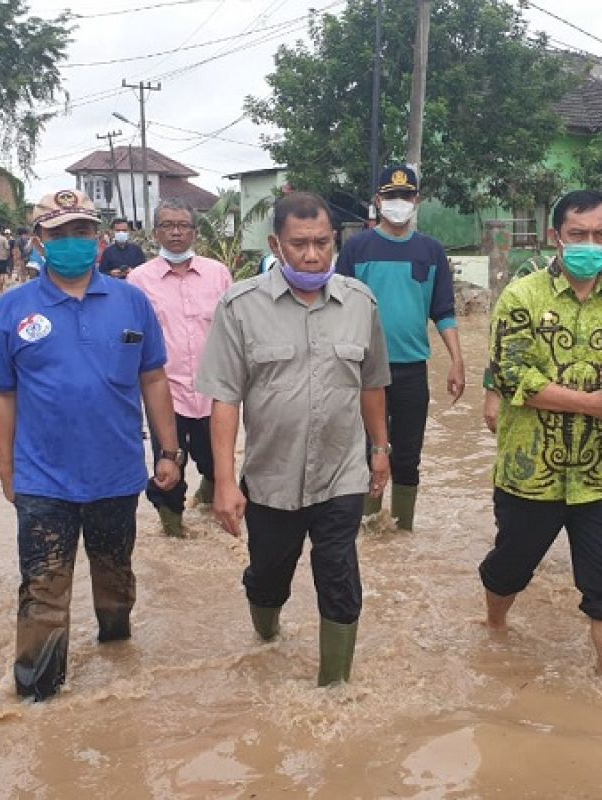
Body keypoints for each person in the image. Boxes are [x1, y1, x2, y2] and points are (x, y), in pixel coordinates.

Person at [0, 189, 181, 702]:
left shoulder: (131, 300)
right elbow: (1, 397)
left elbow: (154, 379)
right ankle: (40, 697)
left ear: (97, 238)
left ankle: (117, 658)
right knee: (43, 589)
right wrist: (6, 469)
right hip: (42, 479)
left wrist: (168, 451)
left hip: (116, 474)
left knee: (115, 581)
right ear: (38, 241)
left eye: (82, 231)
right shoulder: (11, 309)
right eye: (59, 233)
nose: (72, 241)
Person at [198, 191, 391, 686]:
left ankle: (334, 690)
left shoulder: (360, 303)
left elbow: (372, 384)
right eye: (299, 244)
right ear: (275, 244)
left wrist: (381, 450)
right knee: (267, 578)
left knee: (339, 577)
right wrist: (223, 481)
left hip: (341, 473)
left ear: (335, 241)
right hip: (271, 480)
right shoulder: (240, 307)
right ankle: (267, 636)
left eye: (322, 243)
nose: (311, 255)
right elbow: (224, 400)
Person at [482, 189, 602, 677]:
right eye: (578, 234)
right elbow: (512, 376)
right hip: (530, 470)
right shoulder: (522, 297)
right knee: (510, 568)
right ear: (555, 236)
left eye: (600, 235)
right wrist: (593, 405)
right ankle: (495, 624)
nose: (590, 244)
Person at [336, 165, 464, 530]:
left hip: (411, 370)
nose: (398, 203)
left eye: (405, 196)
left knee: (408, 456)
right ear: (378, 201)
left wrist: (457, 360)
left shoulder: (431, 251)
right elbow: (338, 307)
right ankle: (367, 527)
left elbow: (443, 311)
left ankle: (403, 528)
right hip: (363, 370)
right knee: (365, 451)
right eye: (390, 197)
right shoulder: (357, 248)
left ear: (416, 201)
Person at [127, 198, 232, 537]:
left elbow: (233, 329)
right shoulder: (139, 280)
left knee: (216, 460)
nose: (175, 232)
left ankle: (207, 493)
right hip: (164, 392)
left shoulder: (218, 274)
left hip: (212, 390)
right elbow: (131, 337)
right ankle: (173, 529)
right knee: (168, 463)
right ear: (155, 232)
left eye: (183, 225)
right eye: (167, 225)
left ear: (194, 231)